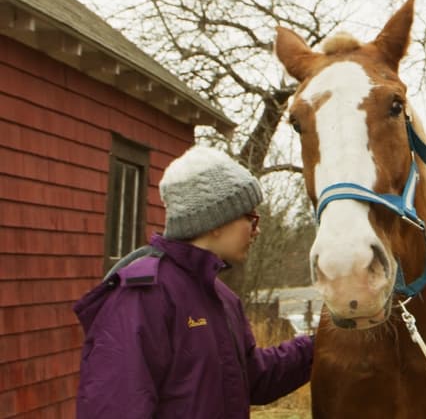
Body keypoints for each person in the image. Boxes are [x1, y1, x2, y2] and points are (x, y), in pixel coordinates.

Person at [74, 145, 314, 418]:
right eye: (251, 217)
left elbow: (252, 378)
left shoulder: (221, 297)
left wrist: (323, 342)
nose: (257, 230)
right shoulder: (142, 295)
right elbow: (114, 407)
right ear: (216, 220)